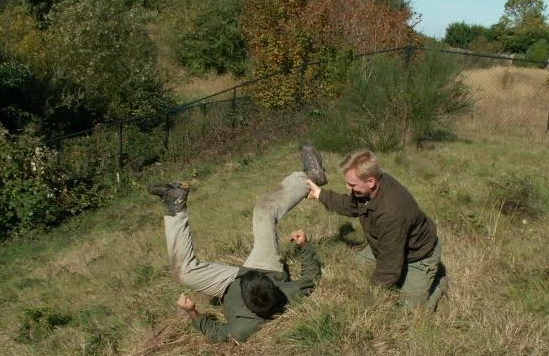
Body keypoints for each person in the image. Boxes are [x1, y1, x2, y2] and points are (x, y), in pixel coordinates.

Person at [147, 145, 327, 344]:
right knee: (263, 210)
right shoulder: (288, 293)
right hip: (266, 269)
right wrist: (304, 246)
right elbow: (312, 276)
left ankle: (175, 204)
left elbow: (216, 334)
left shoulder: (242, 329)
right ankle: (310, 178)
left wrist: (193, 312)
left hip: (228, 284)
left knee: (183, 272)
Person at [306, 148, 447, 310]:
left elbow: (390, 266)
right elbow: (350, 206)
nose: (347, 188)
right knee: (355, 269)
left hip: (418, 256)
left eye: (351, 184)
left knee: (406, 312)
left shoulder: (392, 211)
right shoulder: (368, 189)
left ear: (371, 182)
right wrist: (319, 194)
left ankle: (438, 283)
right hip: (387, 245)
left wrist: (370, 298)